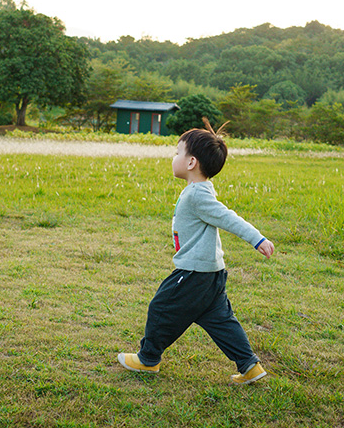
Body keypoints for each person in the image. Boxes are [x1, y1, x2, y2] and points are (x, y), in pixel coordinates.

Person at [117, 120, 275, 384]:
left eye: (177, 152)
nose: (173, 157)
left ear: (191, 163)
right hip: (211, 274)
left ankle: (148, 359)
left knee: (161, 307)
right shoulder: (199, 190)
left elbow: (228, 218)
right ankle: (250, 366)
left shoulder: (197, 195)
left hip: (194, 273)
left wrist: (257, 239)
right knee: (220, 320)